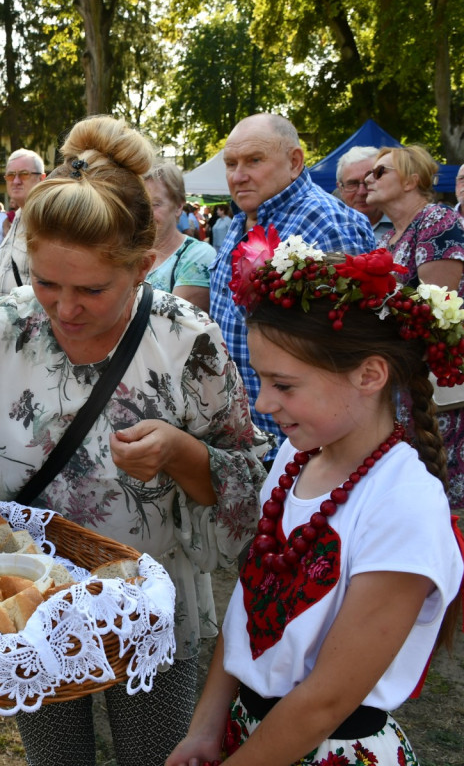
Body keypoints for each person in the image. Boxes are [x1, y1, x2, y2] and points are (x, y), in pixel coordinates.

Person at [0, 115, 268, 766]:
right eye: (46, 282)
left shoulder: (185, 338)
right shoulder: (8, 320)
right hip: (23, 620)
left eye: (92, 289)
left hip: (147, 618)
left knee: (157, 754)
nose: (63, 310)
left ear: (144, 265)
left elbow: (250, 476)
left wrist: (181, 453)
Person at [168, 233, 464, 766]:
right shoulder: (295, 457)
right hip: (251, 732)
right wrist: (206, 726)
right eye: (260, 379)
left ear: (369, 374)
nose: (263, 402)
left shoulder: (404, 505)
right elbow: (251, 601)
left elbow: (326, 698)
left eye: (284, 385)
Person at [211, 113, 376, 457]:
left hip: (304, 448)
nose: (238, 175)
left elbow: (348, 350)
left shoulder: (326, 221)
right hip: (249, 439)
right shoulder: (242, 219)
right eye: (230, 164)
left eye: (254, 160)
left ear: (295, 162)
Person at [364, 145, 464, 507]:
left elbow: (437, 307)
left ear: (412, 180)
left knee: (444, 499)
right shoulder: (390, 236)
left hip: (439, 389)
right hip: (405, 384)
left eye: (380, 172)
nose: (368, 180)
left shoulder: (438, 220)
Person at [144, 162, 214, 311]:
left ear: (178, 207)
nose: (146, 214)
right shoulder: (130, 253)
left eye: (156, 204)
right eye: (142, 205)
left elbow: (174, 327)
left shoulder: (196, 255)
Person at [0, 148, 46, 295]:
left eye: (23, 174)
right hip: (6, 314)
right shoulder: (18, 216)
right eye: (10, 175)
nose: (15, 181)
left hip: (30, 316)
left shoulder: (46, 219)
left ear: (41, 179)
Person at [336, 145, 394, 237]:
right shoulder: (331, 230)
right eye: (353, 184)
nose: (361, 192)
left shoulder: (406, 225)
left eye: (369, 182)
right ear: (340, 189)